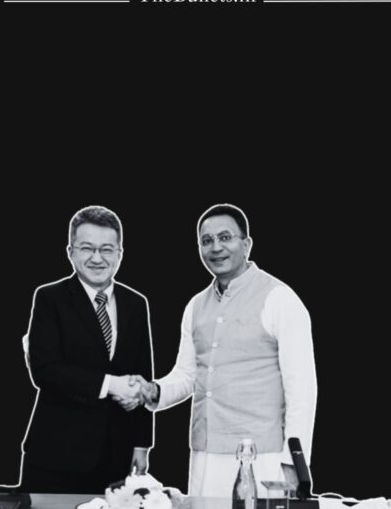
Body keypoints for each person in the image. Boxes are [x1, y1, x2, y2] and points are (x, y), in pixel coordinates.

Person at [132, 203, 317, 497]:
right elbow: (187, 375)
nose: (216, 247)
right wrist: (154, 391)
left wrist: (293, 463)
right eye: (207, 241)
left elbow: (302, 389)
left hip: (263, 459)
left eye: (225, 237)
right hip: (204, 456)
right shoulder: (195, 305)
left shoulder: (280, 298)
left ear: (247, 244)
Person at [20, 206, 154, 494]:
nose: (97, 258)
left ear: (120, 253)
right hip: (57, 456)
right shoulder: (49, 298)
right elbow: (45, 370)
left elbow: (143, 373)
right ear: (71, 252)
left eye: (106, 249)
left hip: (117, 456)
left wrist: (142, 444)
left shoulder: (136, 303)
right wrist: (112, 385)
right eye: (87, 248)